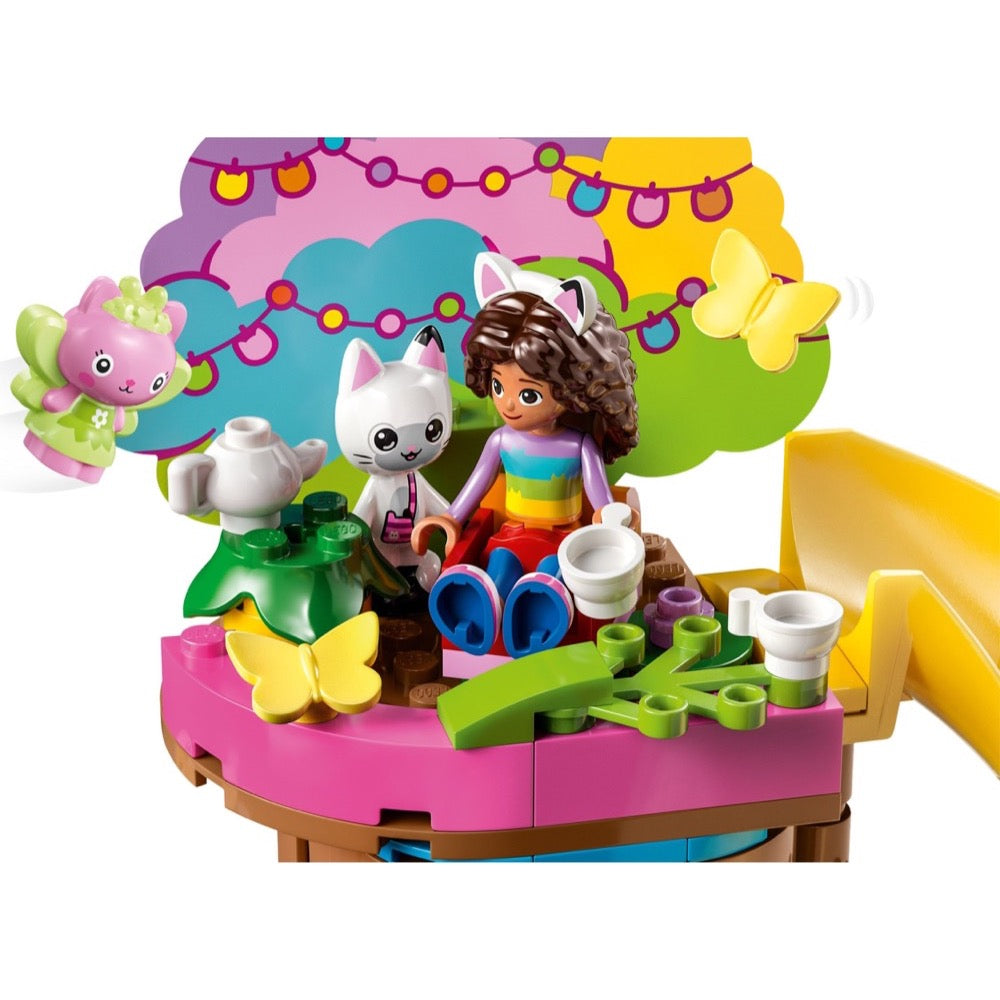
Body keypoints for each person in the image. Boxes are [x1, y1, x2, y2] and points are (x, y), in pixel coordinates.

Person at [412, 252, 639, 657]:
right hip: (511, 536)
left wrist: (613, 520)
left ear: (570, 391)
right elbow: (475, 486)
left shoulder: (578, 446)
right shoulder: (502, 441)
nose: (509, 404)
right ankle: (481, 615)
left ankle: (538, 619)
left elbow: (602, 502)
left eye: (528, 394)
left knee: (550, 575)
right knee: (499, 569)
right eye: (499, 386)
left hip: (563, 541)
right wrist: (450, 518)